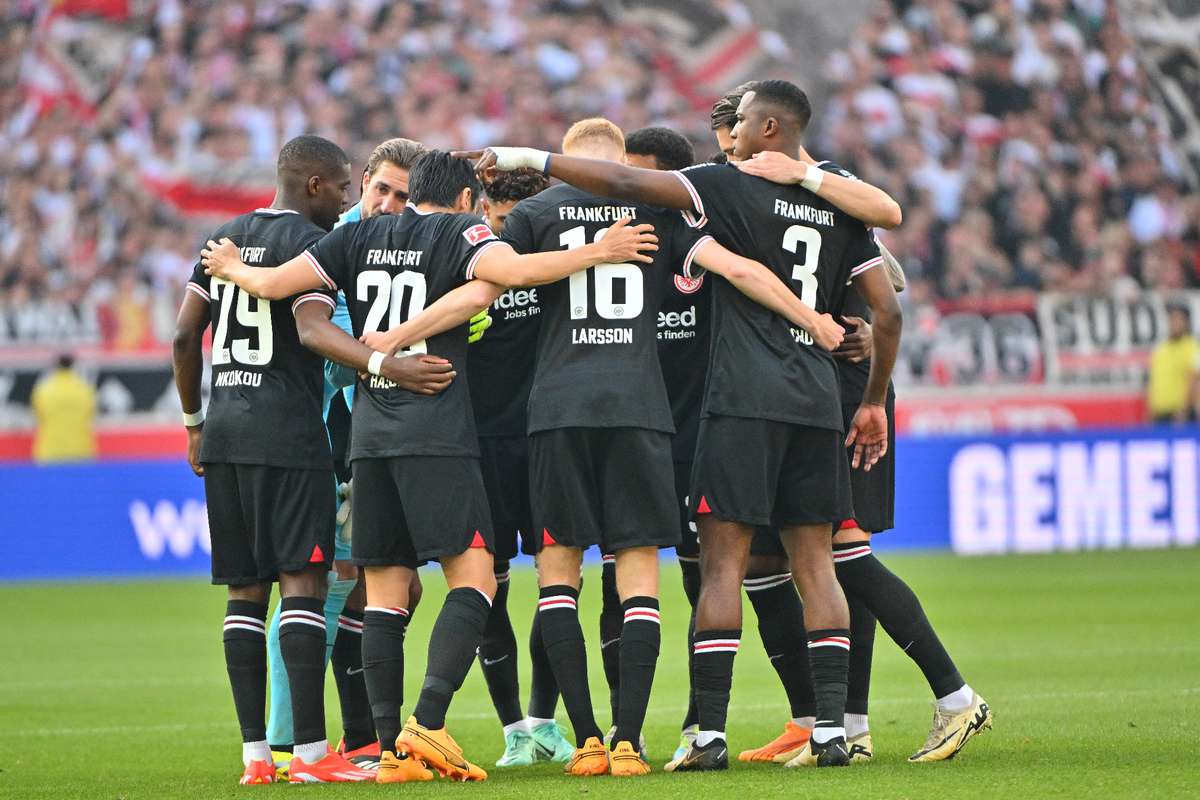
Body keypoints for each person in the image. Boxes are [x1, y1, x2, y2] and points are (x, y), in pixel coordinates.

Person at [371, 118, 845, 777]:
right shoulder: (658, 211)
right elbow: (736, 268)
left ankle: (588, 739)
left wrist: (393, 339)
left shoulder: (534, 214)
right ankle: (628, 741)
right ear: (619, 162)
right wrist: (812, 317)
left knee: (559, 579)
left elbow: (485, 289)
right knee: (638, 576)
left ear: (571, 160)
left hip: (556, 412)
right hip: (639, 411)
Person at [460, 78, 899, 770]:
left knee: (608, 572)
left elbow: (504, 276)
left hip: (606, 407)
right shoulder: (808, 201)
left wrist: (526, 161)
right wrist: (817, 323)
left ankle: (639, 737)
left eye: (742, 122)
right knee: (801, 565)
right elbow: (796, 270)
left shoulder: (660, 197)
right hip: (738, 403)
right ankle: (825, 731)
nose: (731, 138)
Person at [201, 150, 659, 782]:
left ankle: (391, 753)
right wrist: (597, 251)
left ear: (411, 190)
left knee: (385, 592)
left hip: (370, 439)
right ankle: (429, 721)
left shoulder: (357, 236)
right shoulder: (460, 233)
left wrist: (232, 267)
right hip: (437, 433)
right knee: (476, 578)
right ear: (468, 200)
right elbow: (516, 271)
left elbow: (277, 285)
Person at [172, 134, 432, 785]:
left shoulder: (222, 238)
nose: (346, 199)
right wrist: (384, 363)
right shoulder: (311, 247)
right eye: (343, 186)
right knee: (304, 585)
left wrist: (194, 424)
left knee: (243, 592)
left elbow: (182, 335)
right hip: (288, 436)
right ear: (314, 184)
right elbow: (314, 330)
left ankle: (257, 757)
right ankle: (314, 755)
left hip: (224, 432)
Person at [264, 137, 454, 776]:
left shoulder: (400, 244)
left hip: (370, 434)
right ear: (364, 180)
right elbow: (333, 351)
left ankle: (353, 738)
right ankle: (291, 744)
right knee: (320, 586)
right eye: (382, 189)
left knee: (383, 588)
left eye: (404, 195)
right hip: (325, 435)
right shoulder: (337, 243)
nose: (390, 203)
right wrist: (392, 357)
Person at [469, 167, 577, 767]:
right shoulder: (470, 266)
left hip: (546, 441)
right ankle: (513, 728)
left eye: (518, 222)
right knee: (487, 586)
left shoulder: (559, 272)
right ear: (483, 210)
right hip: (482, 443)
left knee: (556, 581)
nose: (506, 232)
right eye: (498, 219)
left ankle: (543, 720)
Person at [30, 353, 96, 463]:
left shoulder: (44, 390)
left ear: (55, 367)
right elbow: (90, 414)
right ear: (74, 366)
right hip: (80, 449)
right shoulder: (84, 389)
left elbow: (38, 416)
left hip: (50, 450)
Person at [1147, 305, 1199, 424]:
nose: (1174, 323)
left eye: (1178, 319)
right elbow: (1154, 382)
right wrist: (1151, 410)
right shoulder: (1161, 349)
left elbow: (1194, 381)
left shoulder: (1193, 348)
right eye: (1172, 319)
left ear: (1186, 323)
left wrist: (1184, 410)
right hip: (1160, 414)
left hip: (1180, 414)